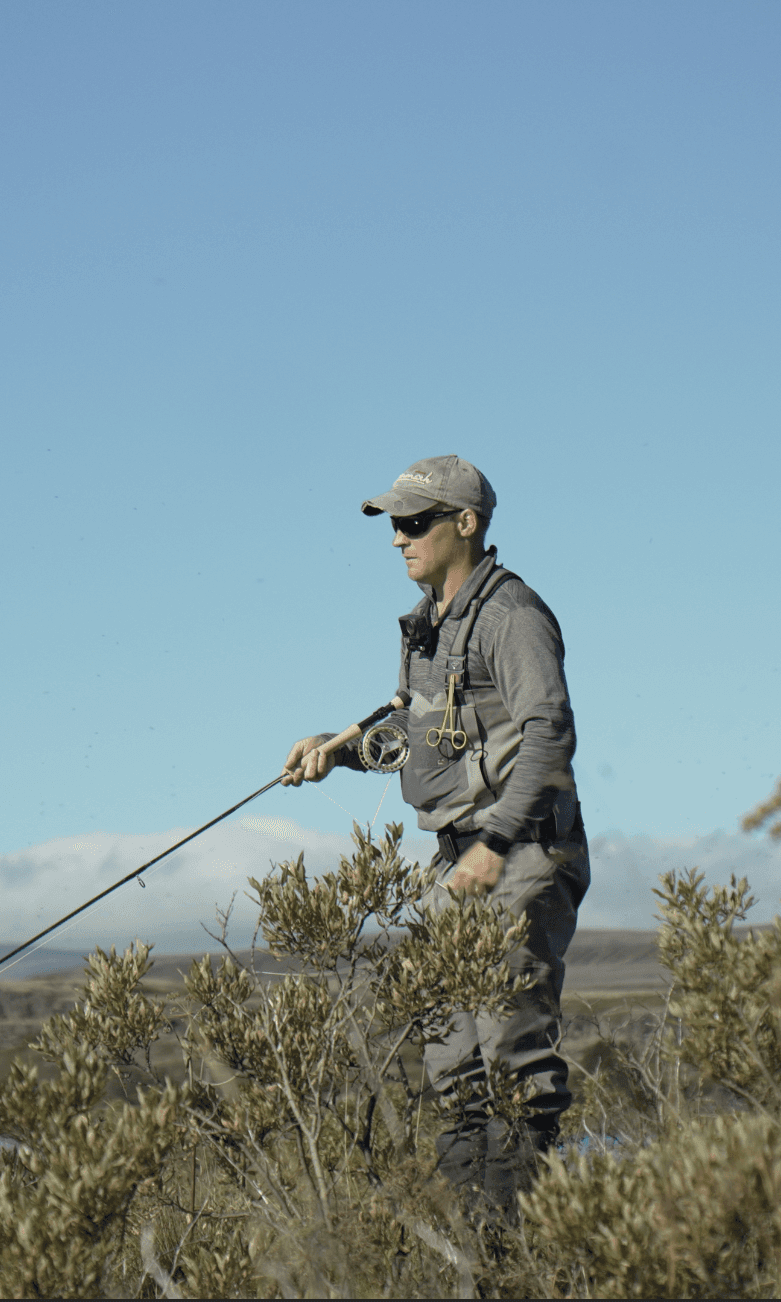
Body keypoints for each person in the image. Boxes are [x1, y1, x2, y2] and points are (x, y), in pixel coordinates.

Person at [281, 454, 588, 1218]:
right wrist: (338, 750)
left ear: (465, 523)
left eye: (414, 522)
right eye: (393, 523)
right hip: (456, 862)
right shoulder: (428, 625)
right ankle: (476, 1251)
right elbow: (423, 742)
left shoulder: (512, 615)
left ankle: (518, 1254)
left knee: (513, 1059)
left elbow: (550, 735)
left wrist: (494, 843)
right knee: (452, 1064)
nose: (397, 538)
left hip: (516, 856)